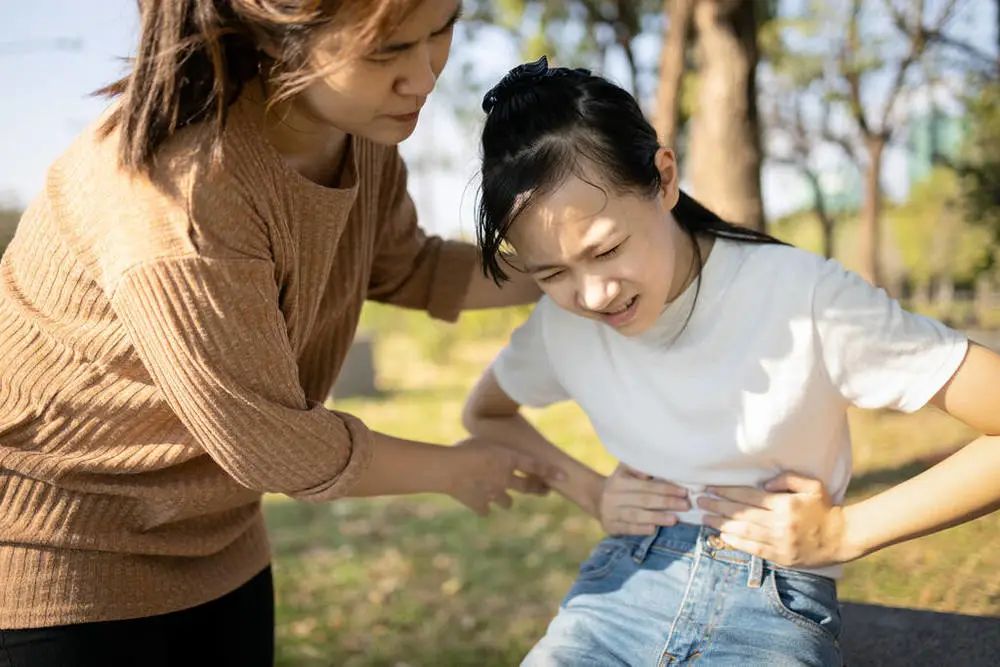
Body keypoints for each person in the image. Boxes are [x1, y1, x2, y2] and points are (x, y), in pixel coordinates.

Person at [0, 4, 562, 666]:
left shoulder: (360, 131)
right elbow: (273, 443)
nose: (425, 75)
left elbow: (407, 265)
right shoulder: (178, 198)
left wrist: (573, 269)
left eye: (440, 32)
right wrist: (456, 468)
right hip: (63, 558)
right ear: (278, 38)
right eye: (386, 53)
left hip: (220, 540)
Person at [463, 57, 1000, 666]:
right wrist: (590, 492)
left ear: (664, 179)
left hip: (771, 598)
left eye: (607, 249)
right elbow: (486, 413)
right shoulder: (561, 324)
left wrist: (847, 532)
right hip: (618, 592)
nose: (592, 295)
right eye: (553, 272)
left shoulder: (804, 298)